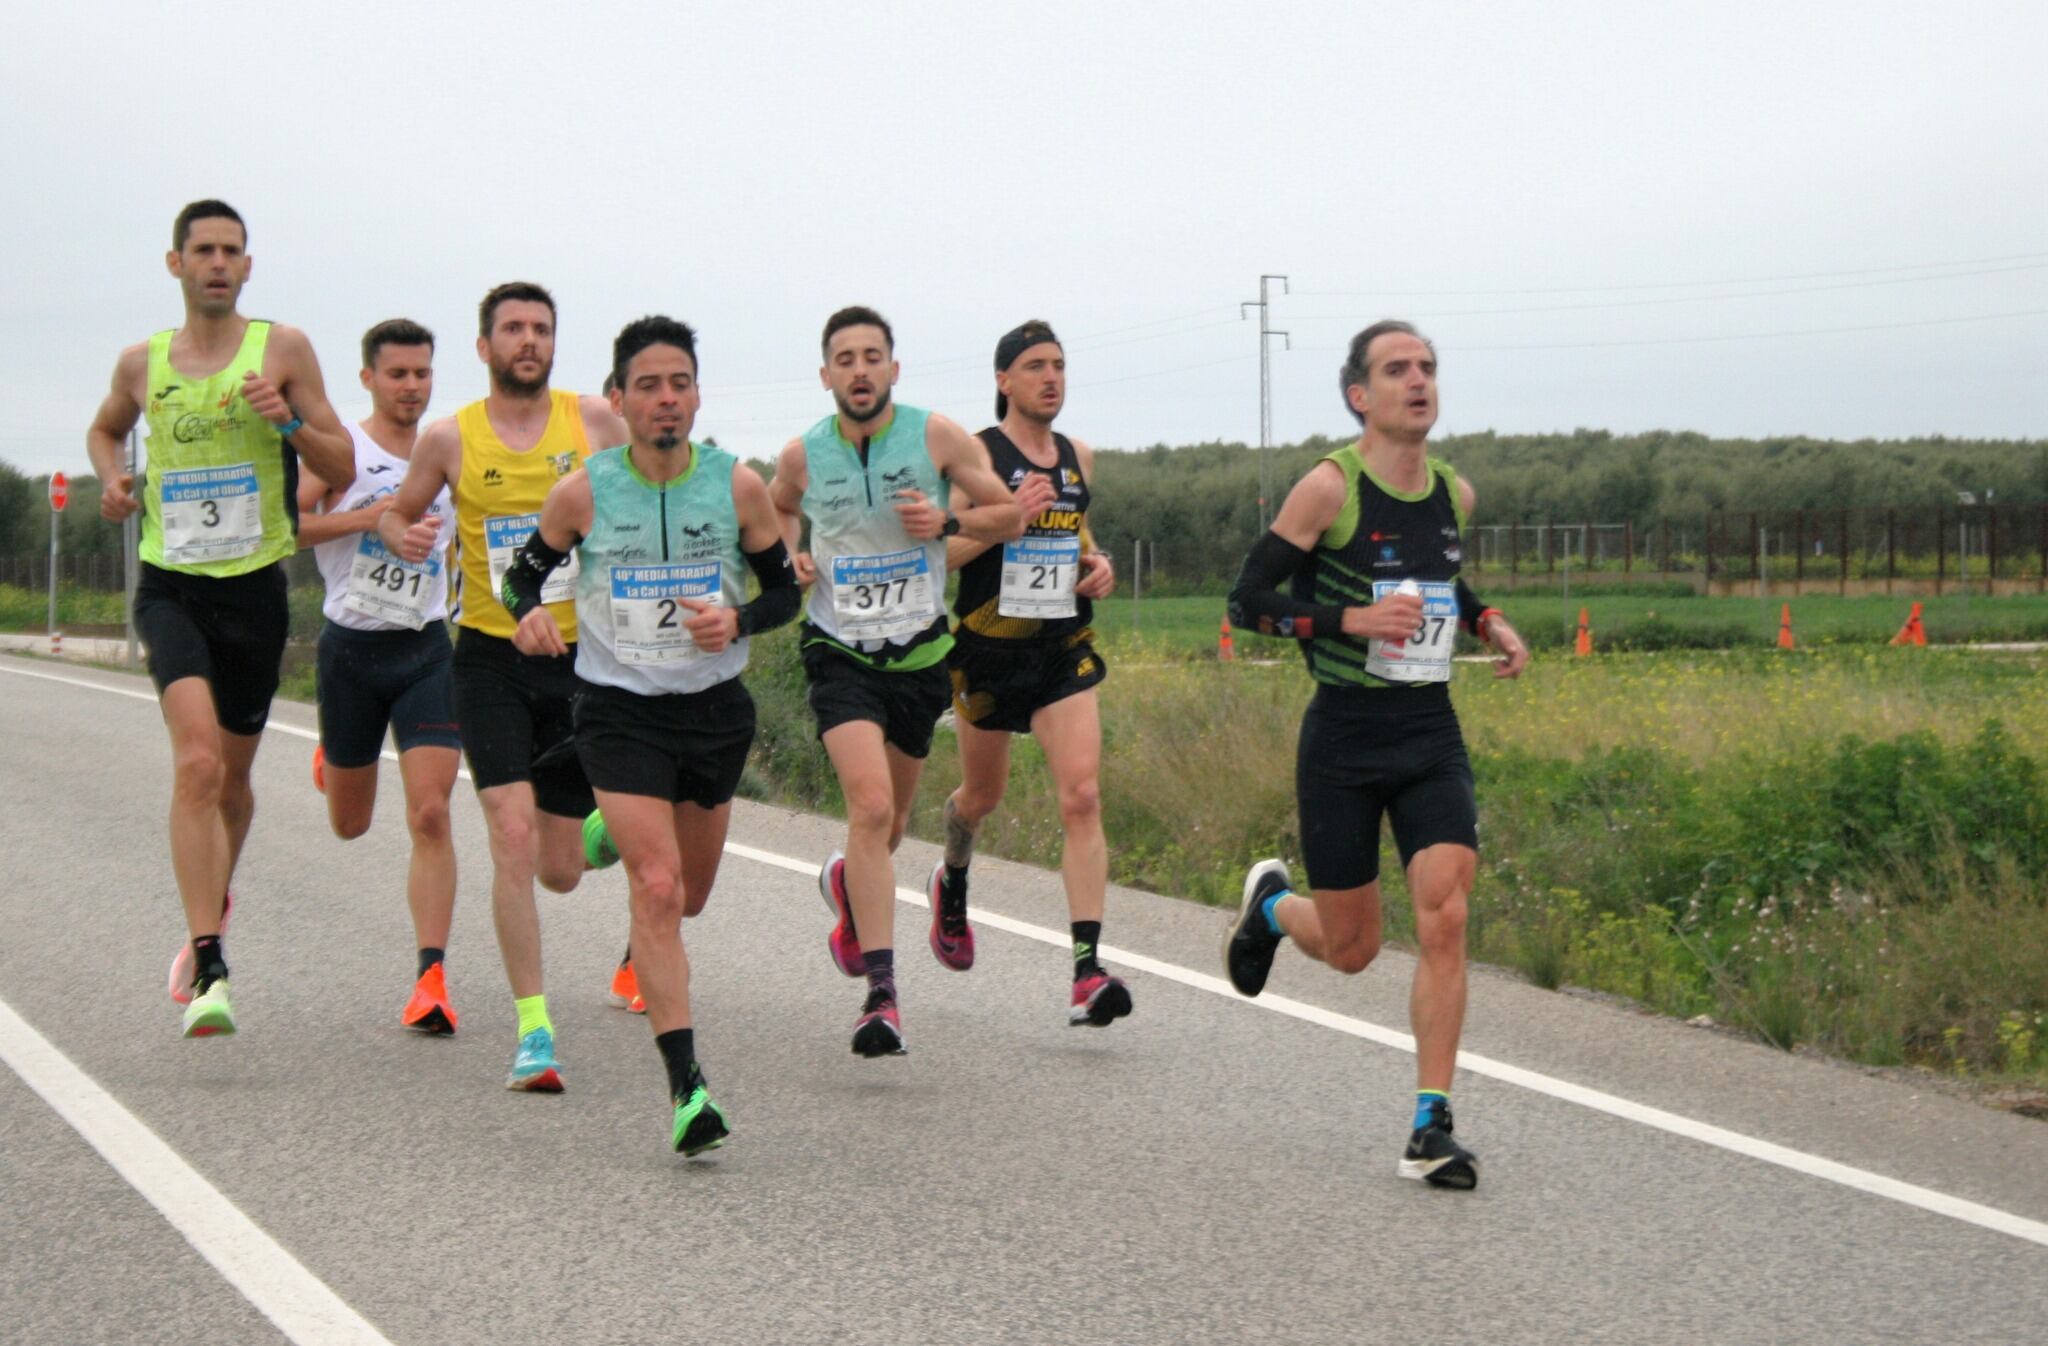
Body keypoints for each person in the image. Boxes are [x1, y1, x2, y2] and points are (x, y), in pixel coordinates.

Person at [1222, 320, 1529, 1190]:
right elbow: (1247, 602)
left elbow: (1440, 580)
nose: (1418, 381)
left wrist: (1485, 619)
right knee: (1354, 948)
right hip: (1345, 738)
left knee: (1447, 911)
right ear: (1361, 395)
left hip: (1429, 732)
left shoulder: (1452, 494)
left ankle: (1432, 1123)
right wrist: (1347, 621)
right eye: (1398, 370)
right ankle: (1275, 908)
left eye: (1429, 367)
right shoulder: (1328, 488)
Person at [505, 315, 799, 1154]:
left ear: (697, 395)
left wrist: (738, 616)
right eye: (648, 386)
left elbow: (784, 595)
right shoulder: (585, 491)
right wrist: (527, 618)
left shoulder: (737, 486)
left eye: (680, 384)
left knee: (691, 896)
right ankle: (687, 1092)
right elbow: (521, 577)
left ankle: (602, 832)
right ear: (619, 399)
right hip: (619, 711)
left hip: (711, 714)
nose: (666, 400)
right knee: (660, 890)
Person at [85, 199, 354, 1039]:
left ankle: (214, 898)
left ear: (246, 267)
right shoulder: (142, 363)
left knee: (233, 781)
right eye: (201, 250)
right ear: (175, 265)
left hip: (253, 594)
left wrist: (290, 420)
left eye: (230, 252)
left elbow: (340, 461)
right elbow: (105, 432)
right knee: (197, 764)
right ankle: (210, 961)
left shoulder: (284, 350)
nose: (215, 263)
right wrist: (112, 479)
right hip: (171, 586)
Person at [377, 281, 627, 1090]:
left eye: (541, 330)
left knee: (559, 866)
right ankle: (534, 1029)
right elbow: (396, 511)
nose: (529, 341)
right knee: (511, 836)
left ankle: (596, 838)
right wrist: (405, 531)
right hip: (487, 659)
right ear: (484, 348)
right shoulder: (450, 438)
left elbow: (642, 502)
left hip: (582, 663)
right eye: (513, 329)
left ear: (554, 345)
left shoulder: (590, 422)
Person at [768, 306, 1024, 1057]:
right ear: (826, 376)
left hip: (918, 657)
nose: (859, 370)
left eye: (871, 356)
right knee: (871, 805)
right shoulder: (803, 456)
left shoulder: (937, 436)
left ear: (893, 369)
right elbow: (780, 512)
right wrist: (794, 558)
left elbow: (1009, 516)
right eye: (844, 359)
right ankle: (882, 996)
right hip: (837, 650)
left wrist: (946, 527)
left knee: (894, 824)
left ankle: (850, 888)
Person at [937, 320, 1129, 1027]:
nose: (1051, 377)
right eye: (1035, 366)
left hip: (1060, 649)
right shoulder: (978, 456)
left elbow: (1076, 533)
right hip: (988, 650)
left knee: (1081, 796)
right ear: (1004, 380)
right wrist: (1002, 520)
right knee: (980, 798)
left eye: (1060, 365)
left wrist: (1097, 565)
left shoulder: (1080, 456)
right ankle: (953, 877)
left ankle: (1087, 972)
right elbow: (942, 553)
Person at [298, 318, 463, 1033]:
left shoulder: (448, 450)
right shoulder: (347, 451)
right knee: (350, 823)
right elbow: (286, 525)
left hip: (425, 647)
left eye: (422, 374)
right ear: (368, 378)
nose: (412, 387)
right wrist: (370, 518)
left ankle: (431, 977)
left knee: (430, 812)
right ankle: (335, 759)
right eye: (398, 374)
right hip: (350, 652)